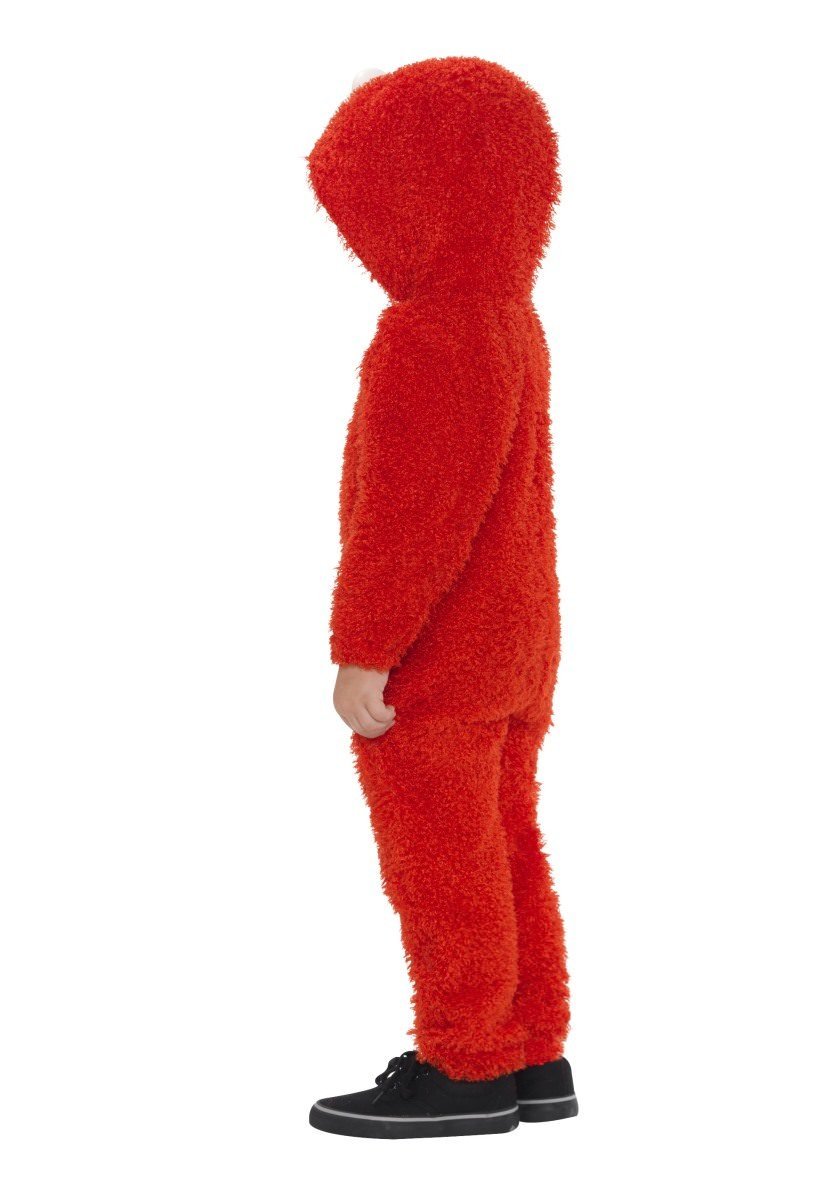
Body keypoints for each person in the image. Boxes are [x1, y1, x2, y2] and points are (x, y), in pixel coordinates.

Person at [307, 56, 576, 1139]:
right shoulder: (514, 320)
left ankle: (464, 1061)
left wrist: (364, 648)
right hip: (520, 647)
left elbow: (414, 512)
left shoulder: (429, 333)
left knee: (443, 864)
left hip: (442, 655)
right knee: (507, 844)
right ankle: (532, 1051)